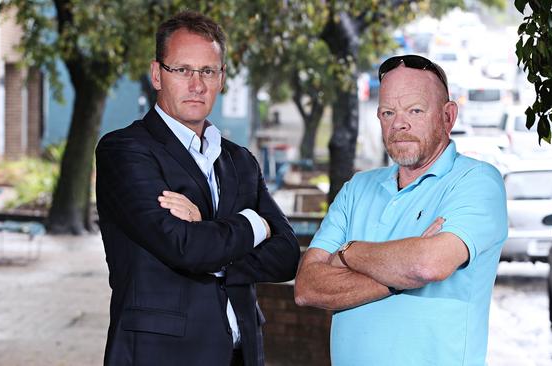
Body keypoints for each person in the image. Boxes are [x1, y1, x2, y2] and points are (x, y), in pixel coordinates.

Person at [95, 11, 300, 366]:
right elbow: (184, 248)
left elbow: (286, 256)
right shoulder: (125, 151)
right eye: (183, 70)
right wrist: (255, 224)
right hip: (161, 356)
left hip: (242, 352)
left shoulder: (240, 161)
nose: (197, 84)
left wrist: (208, 232)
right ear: (157, 75)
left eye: (208, 71)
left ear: (221, 78)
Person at [294, 55, 508, 365]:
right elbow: (308, 287)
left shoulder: (476, 181)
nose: (399, 123)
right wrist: (401, 273)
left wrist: (348, 254)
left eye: (415, 110)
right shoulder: (358, 188)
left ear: (448, 117)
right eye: (388, 112)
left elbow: (429, 265)